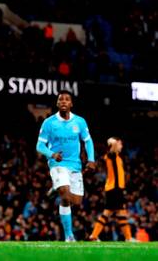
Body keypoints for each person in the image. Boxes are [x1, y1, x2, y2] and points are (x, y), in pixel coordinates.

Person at [36, 90, 95, 242]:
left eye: (67, 99)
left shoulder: (80, 122)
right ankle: (69, 235)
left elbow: (87, 141)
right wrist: (52, 154)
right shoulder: (49, 123)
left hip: (75, 165)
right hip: (57, 163)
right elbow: (39, 146)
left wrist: (91, 159)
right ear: (57, 103)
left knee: (76, 201)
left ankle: (57, 189)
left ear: (71, 104)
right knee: (65, 193)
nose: (63, 101)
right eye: (60, 99)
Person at [88, 137, 135, 241]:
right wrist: (112, 142)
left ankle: (127, 238)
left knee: (120, 212)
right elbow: (111, 149)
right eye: (120, 144)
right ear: (115, 144)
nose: (121, 146)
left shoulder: (118, 157)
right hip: (114, 189)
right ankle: (94, 236)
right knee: (110, 212)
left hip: (117, 189)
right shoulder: (111, 156)